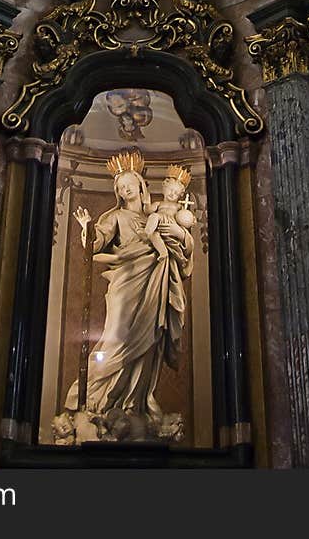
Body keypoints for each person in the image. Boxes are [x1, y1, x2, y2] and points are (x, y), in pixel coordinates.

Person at [65, 150, 193, 434]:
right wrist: (87, 228)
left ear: (139, 185)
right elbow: (97, 243)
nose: (124, 190)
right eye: (120, 187)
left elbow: (182, 243)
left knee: (150, 343)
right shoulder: (116, 216)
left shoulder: (156, 213)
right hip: (125, 283)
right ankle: (92, 397)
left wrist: (182, 234)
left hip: (155, 281)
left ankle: (136, 404)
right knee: (116, 337)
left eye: (128, 184)